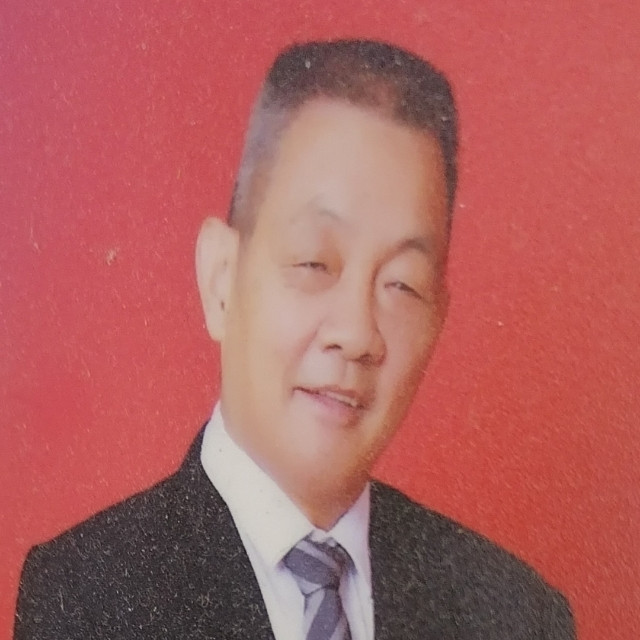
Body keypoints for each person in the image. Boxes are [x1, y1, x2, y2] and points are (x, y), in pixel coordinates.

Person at [14, 40, 576, 639]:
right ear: (221, 280)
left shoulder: (518, 616)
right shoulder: (88, 598)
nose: (357, 333)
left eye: (402, 284)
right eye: (314, 263)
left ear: (439, 316)